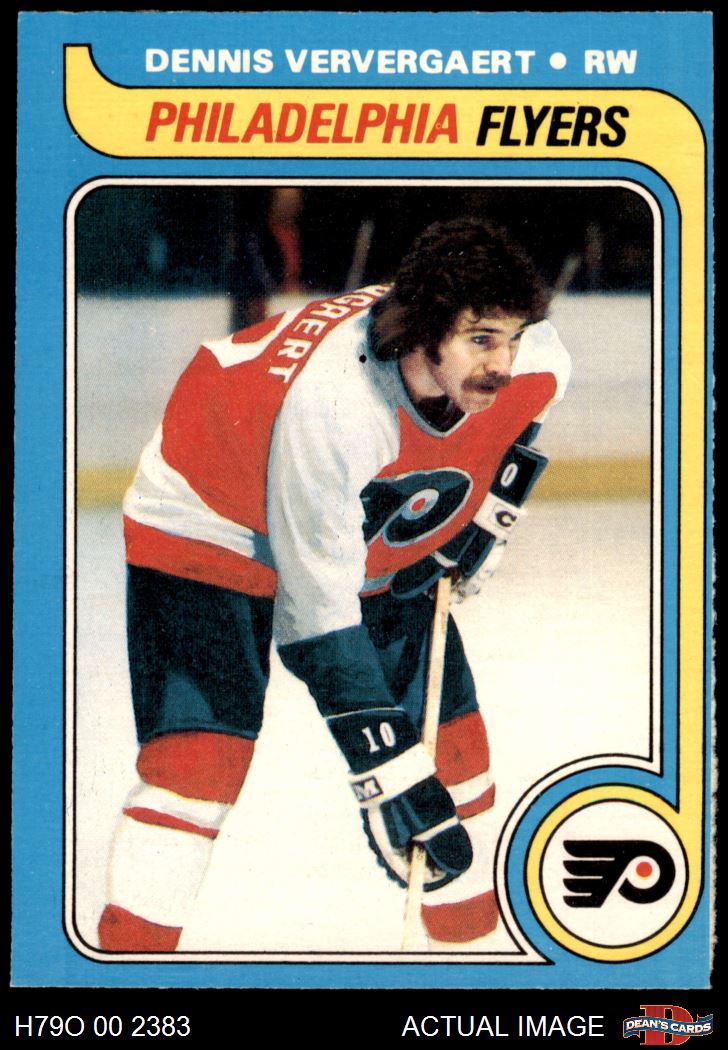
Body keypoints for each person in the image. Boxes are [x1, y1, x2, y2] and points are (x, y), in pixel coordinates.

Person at [97, 217, 570, 951]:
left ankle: (473, 954)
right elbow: (316, 618)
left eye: (511, 338)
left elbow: (520, 424)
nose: (504, 363)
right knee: (198, 763)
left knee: (453, 740)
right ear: (424, 327)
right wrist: (384, 768)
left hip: (340, 500)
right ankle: (126, 970)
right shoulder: (338, 405)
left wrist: (486, 515)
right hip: (208, 503)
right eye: (482, 340)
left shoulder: (536, 357)